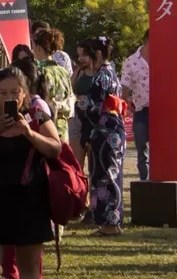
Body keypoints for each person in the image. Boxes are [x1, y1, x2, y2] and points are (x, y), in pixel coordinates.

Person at [0, 66, 61, 279]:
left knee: (29, 267)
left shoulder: (37, 117)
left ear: (25, 93)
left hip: (30, 199)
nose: (9, 97)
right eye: (3, 93)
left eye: (15, 92)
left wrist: (29, 134)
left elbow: (55, 149)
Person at [76, 36, 127, 236]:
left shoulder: (101, 77)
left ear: (97, 54)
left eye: (87, 55)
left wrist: (78, 103)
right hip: (113, 128)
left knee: (104, 175)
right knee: (111, 173)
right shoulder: (112, 73)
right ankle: (112, 221)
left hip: (103, 129)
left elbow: (91, 107)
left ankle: (109, 224)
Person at [30, 29, 73, 140]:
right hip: (63, 126)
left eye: (34, 46)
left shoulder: (39, 71)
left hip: (46, 125)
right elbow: (71, 98)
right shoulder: (63, 71)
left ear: (38, 47)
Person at [120, 30, 151, 181]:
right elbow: (124, 85)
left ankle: (159, 179)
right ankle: (145, 181)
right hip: (141, 110)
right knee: (141, 148)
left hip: (163, 110)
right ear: (146, 40)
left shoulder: (164, 57)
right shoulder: (131, 61)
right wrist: (126, 101)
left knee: (160, 149)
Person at [70, 42, 95, 170]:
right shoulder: (79, 72)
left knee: (94, 163)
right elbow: (70, 91)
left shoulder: (102, 72)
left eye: (84, 55)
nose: (81, 58)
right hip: (78, 119)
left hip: (94, 121)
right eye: (79, 55)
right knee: (76, 163)